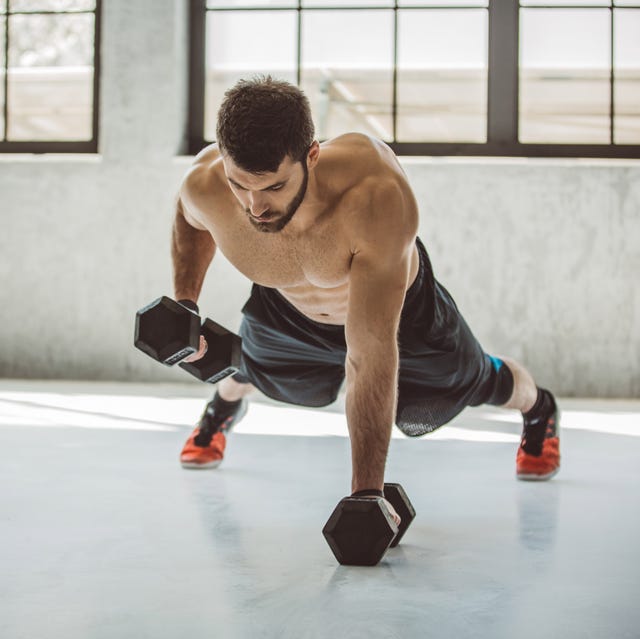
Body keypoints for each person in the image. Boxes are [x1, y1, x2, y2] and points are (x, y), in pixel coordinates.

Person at [172, 76, 560, 522]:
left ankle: (540, 411)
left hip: (402, 317)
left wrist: (366, 495)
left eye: (275, 187)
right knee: (246, 364)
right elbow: (190, 220)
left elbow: (370, 352)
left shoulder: (375, 196)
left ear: (311, 155)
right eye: (241, 186)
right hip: (286, 306)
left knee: (482, 383)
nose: (255, 207)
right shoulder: (206, 185)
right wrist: (185, 302)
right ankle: (222, 409)